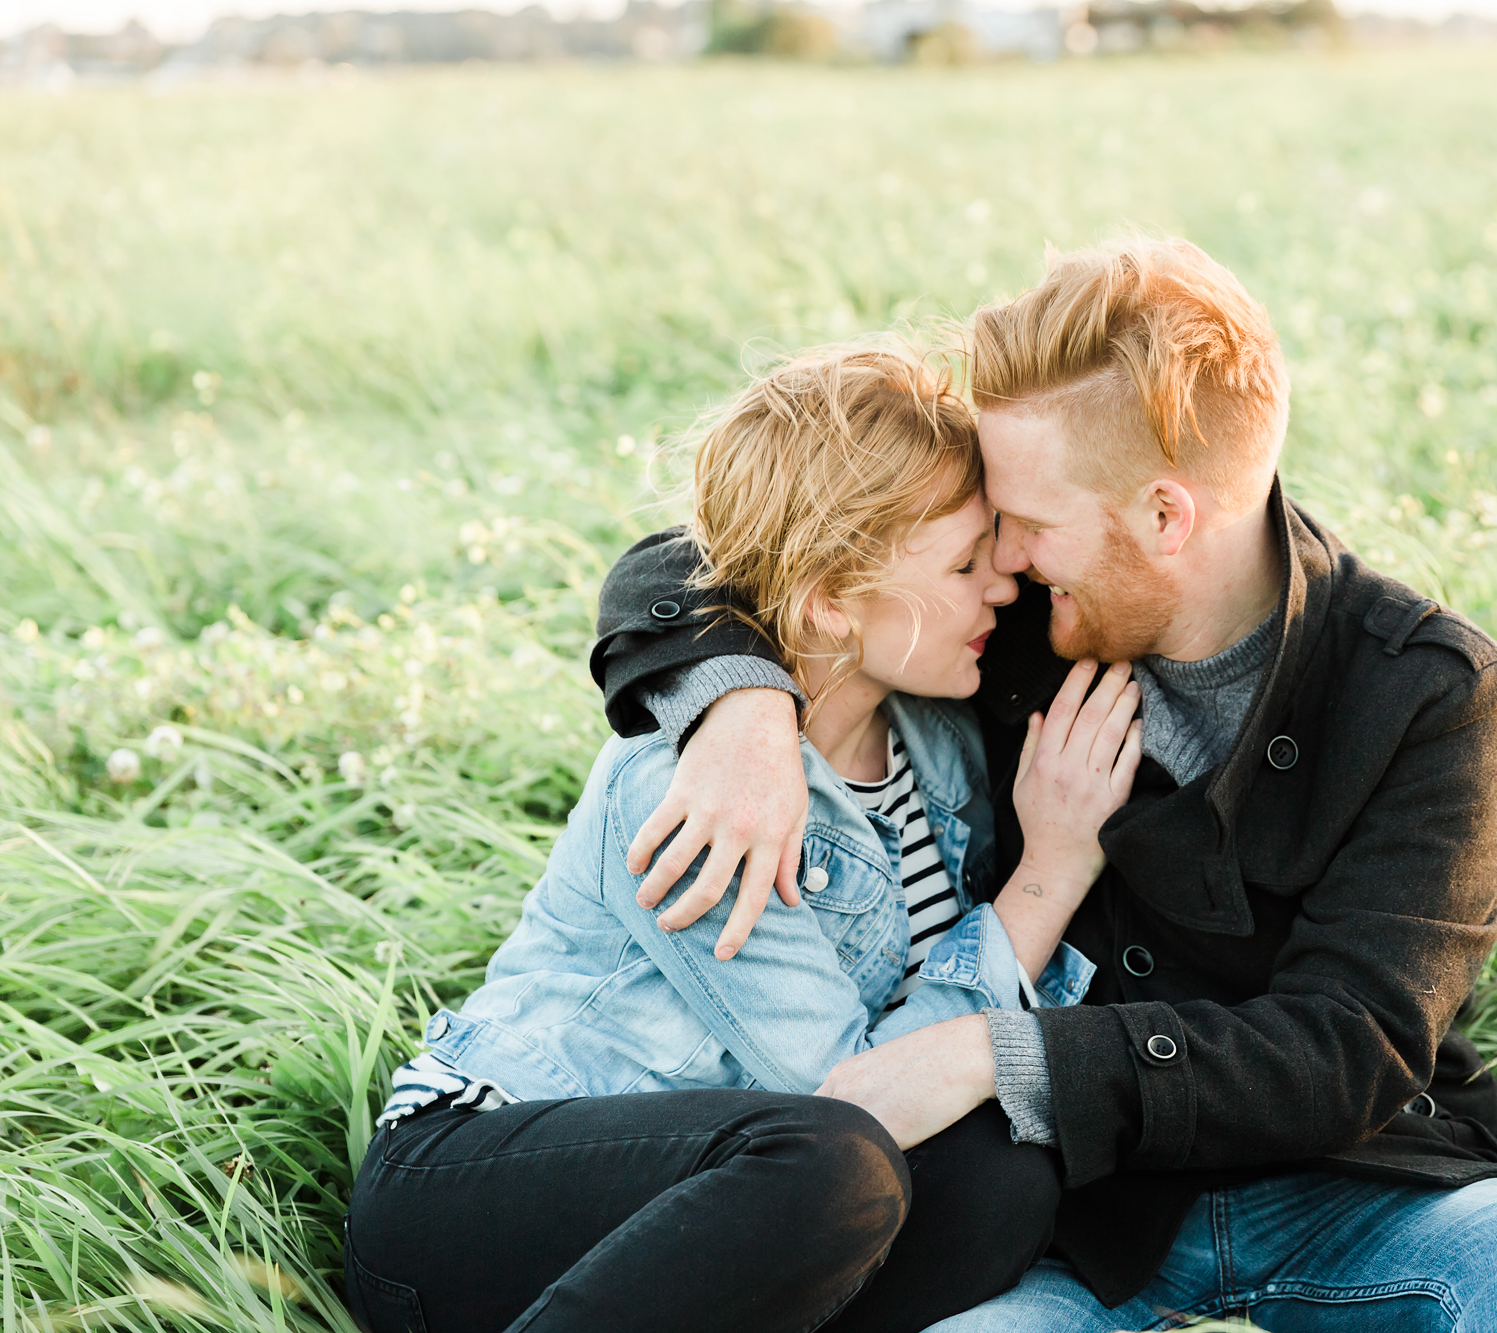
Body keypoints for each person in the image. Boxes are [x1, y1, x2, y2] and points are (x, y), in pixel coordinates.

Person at [588, 239, 1497, 1331]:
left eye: (1029, 524)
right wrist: (740, 710)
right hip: (1068, 1229)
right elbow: (708, 556)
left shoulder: (1431, 696)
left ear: (1164, 517)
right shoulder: (990, 618)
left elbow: (1351, 1046)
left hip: (1363, 1196)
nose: (999, 553)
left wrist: (996, 1054)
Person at [342, 342, 1146, 1333]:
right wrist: (1048, 875)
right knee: (837, 1164)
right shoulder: (697, 794)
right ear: (827, 601)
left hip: (733, 1200)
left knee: (999, 1184)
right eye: (963, 563)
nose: (1003, 584)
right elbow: (852, 1097)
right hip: (475, 1192)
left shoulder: (935, 739)